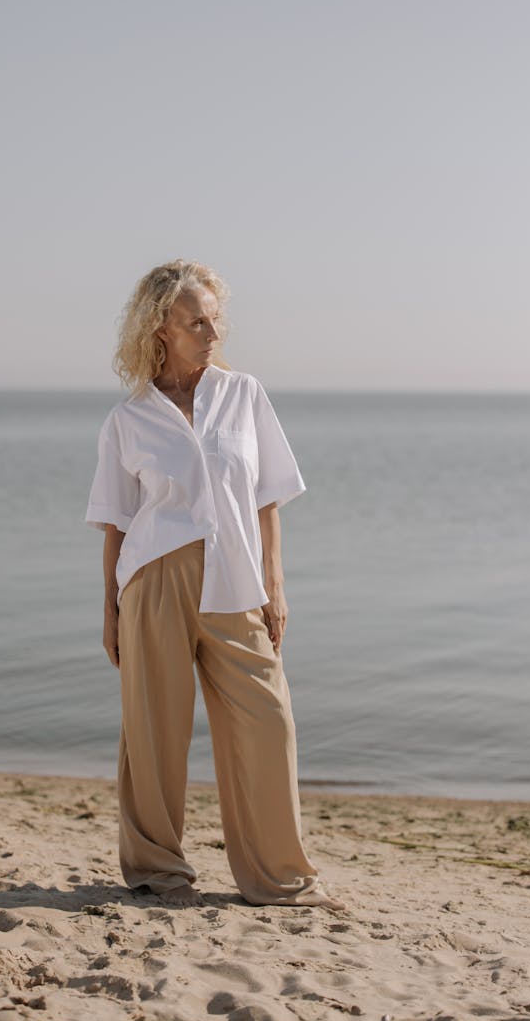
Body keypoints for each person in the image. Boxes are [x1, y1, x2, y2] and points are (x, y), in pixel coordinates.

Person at [85, 260, 346, 911]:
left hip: (236, 579)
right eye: (196, 320)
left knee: (268, 719)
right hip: (154, 579)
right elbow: (116, 522)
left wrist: (275, 587)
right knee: (153, 730)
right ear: (161, 328)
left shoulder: (244, 394)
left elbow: (268, 501)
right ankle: (158, 871)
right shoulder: (129, 418)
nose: (212, 330)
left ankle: (277, 875)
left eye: (214, 318)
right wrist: (110, 610)